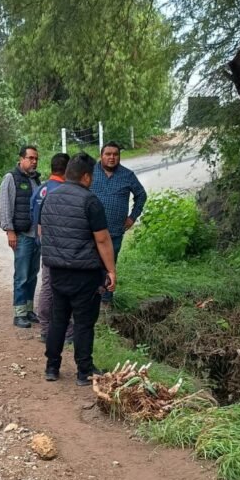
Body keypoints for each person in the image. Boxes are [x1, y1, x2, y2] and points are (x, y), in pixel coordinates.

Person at [38, 152, 117, 386]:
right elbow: (102, 239)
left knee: (58, 319)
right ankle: (84, 371)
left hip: (57, 271)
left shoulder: (50, 197)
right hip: (84, 273)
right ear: (86, 177)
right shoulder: (90, 201)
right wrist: (111, 271)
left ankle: (52, 367)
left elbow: (43, 232)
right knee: (83, 322)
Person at [90, 141, 147, 305]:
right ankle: (88, 300)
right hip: (90, 231)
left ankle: (106, 301)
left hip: (114, 231)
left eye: (115, 154)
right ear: (101, 156)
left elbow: (141, 195)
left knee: (109, 267)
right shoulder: (91, 172)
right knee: (89, 266)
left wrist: (133, 217)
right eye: (108, 154)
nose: (112, 157)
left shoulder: (127, 175)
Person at [30, 152, 73, 343]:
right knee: (66, 287)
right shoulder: (65, 191)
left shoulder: (40, 189)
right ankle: (67, 331)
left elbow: (33, 217)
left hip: (45, 246)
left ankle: (46, 329)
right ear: (68, 169)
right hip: (63, 247)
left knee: (47, 287)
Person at [0, 145, 42, 327]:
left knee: (32, 275)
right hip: (22, 235)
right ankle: (19, 314)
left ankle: (29, 310)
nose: (34, 162)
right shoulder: (11, 178)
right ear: (21, 159)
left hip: (36, 236)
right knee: (22, 276)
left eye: (36, 159)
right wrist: (10, 231)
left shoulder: (36, 179)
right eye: (30, 158)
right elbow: (5, 206)